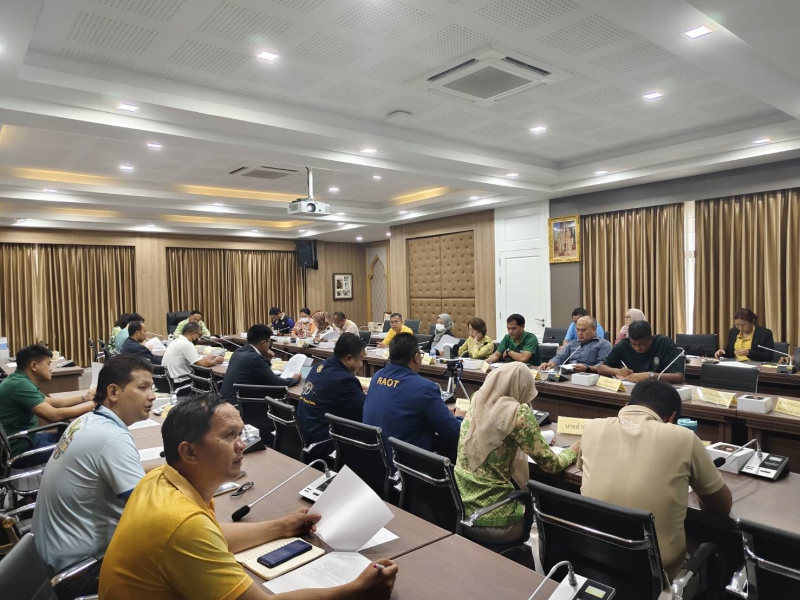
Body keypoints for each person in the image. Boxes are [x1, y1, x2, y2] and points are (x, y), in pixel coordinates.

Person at [98, 395, 398, 599]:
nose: (242, 444)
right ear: (189, 451)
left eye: (241, 434)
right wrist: (355, 591)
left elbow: (213, 534)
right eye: (230, 435)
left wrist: (281, 527)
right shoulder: (182, 523)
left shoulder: (160, 479)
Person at [578, 379, 732, 580]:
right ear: (672, 418)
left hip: (593, 558)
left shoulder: (591, 428)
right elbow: (721, 507)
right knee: (720, 551)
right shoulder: (684, 438)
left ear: (627, 405)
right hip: (657, 573)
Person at [33, 354, 154, 590]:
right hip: (80, 572)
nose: (152, 396)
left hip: (47, 558)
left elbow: (126, 473)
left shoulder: (87, 420)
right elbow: (149, 514)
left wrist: (171, 468)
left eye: (152, 387)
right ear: (113, 392)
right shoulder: (112, 437)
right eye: (143, 387)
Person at [455, 363, 579, 543]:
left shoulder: (477, 400)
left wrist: (537, 438)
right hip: (495, 519)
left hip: (462, 510)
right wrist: (573, 451)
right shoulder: (517, 413)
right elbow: (552, 465)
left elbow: (494, 436)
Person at [363, 333, 465, 463]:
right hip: (407, 464)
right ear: (416, 357)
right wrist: (460, 417)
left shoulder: (377, 377)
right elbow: (453, 432)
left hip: (376, 459)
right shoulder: (423, 388)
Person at [0, 344, 95, 466]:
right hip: (20, 450)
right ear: (34, 366)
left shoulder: (18, 380)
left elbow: (51, 402)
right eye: (48, 364)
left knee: (73, 436)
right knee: (81, 448)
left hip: (26, 439)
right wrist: (93, 407)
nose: (51, 369)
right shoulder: (20, 385)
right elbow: (53, 416)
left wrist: (86, 397)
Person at [298, 333, 366, 445]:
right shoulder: (344, 381)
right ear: (349, 358)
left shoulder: (318, 366)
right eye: (361, 360)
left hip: (304, 435)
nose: (361, 365)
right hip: (324, 442)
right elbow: (366, 412)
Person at [220, 324, 301, 399]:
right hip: (240, 404)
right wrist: (293, 379)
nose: (270, 345)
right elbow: (276, 383)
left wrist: (267, 360)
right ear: (263, 343)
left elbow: (263, 375)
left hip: (227, 401)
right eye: (269, 342)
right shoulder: (255, 358)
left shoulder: (238, 351)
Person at [599, 320, 685, 384]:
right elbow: (601, 368)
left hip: (659, 390)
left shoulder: (664, 343)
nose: (637, 348)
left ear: (651, 338)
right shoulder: (624, 345)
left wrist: (650, 375)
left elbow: (679, 377)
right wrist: (616, 371)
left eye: (642, 344)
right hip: (631, 389)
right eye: (633, 344)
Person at [161, 322, 223, 394]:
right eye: (199, 335)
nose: (199, 339)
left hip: (169, 382)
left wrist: (204, 357)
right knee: (214, 380)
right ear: (193, 333)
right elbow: (202, 364)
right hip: (181, 383)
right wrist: (216, 361)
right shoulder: (187, 344)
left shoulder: (176, 341)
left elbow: (192, 358)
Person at [540, 316, 612, 373]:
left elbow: (604, 365)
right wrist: (550, 364)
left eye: (583, 330)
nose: (579, 333)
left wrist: (587, 368)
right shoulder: (572, 343)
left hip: (589, 376)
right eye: (577, 330)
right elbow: (559, 358)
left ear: (594, 329)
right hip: (568, 375)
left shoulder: (603, 344)